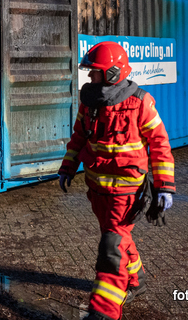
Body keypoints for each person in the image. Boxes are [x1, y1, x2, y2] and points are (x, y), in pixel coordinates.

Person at [57, 41, 175, 320]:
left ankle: (104, 311)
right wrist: (67, 167)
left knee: (111, 248)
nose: (89, 77)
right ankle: (137, 280)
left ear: (111, 73)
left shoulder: (141, 102)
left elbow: (160, 144)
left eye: (94, 72)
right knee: (118, 237)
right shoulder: (90, 102)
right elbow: (78, 137)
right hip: (96, 189)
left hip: (126, 192)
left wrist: (165, 185)